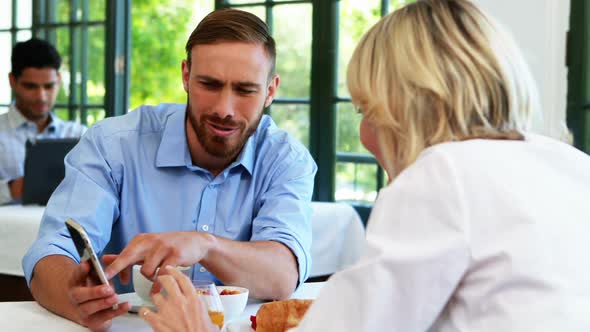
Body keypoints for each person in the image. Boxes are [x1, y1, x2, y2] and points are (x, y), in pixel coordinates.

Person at [138, 1, 590, 331]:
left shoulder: (443, 177)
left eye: (367, 111)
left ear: (409, 107)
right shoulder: (573, 167)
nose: (364, 137)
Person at [22, 9, 316, 331]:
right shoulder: (113, 145)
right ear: (186, 75)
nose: (224, 109)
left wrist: (205, 244)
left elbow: (283, 273)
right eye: (210, 84)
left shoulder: (286, 159)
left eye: (245, 90)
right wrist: (70, 291)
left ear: (270, 91)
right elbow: (51, 252)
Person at [0, 38, 87, 205]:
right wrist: (12, 188)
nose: (41, 96)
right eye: (30, 87)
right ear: (12, 81)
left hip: (67, 229)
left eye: (49, 86)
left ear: (59, 80)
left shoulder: (79, 135)